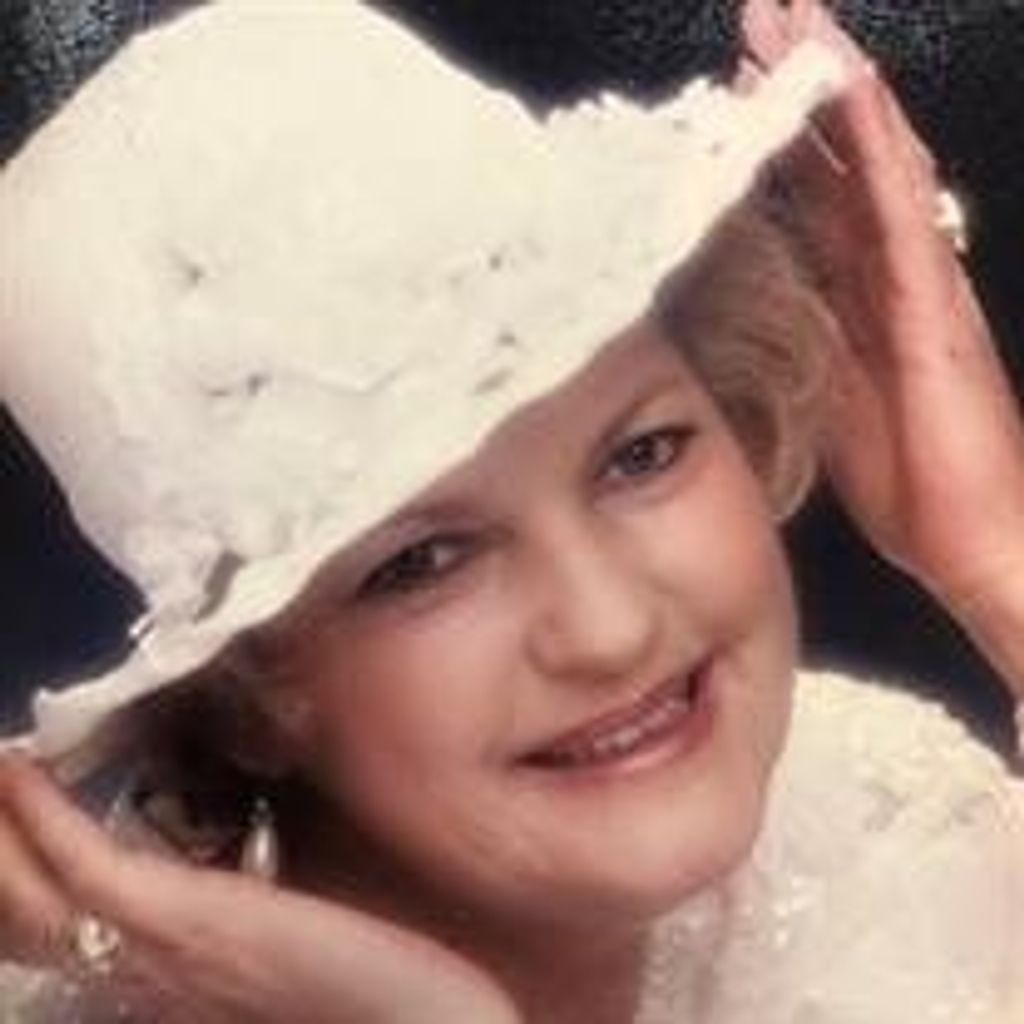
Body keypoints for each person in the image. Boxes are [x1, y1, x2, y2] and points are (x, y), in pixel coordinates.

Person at [0, 1, 1022, 1022]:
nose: (609, 631)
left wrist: (997, 563)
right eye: (423, 562)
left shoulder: (880, 818)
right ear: (248, 700)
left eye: (642, 454)